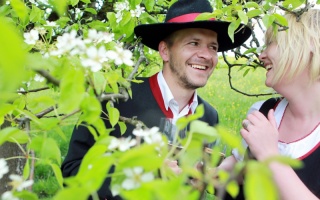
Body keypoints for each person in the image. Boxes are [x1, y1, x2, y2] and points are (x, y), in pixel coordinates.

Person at [61, 0, 251, 199]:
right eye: (193, 43)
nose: (206, 55)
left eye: (213, 46)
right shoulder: (115, 99)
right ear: (165, 51)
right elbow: (72, 172)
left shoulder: (209, 116)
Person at [218, 9, 320, 200]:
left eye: (271, 44)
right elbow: (238, 169)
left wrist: (269, 155)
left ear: (308, 46)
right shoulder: (264, 112)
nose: (261, 55)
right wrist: (203, 176)